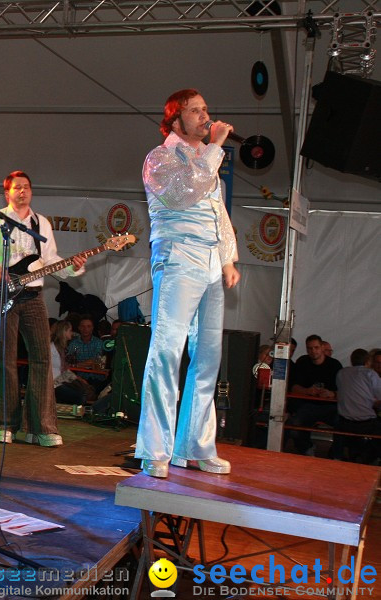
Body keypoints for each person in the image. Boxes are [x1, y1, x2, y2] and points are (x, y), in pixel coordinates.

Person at [134, 89, 241, 478]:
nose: (204, 116)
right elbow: (183, 194)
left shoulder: (207, 159)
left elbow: (218, 212)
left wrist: (227, 259)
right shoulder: (159, 158)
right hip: (178, 257)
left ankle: (195, 446)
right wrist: (215, 149)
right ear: (175, 120)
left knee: (208, 356)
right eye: (195, 111)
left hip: (210, 261)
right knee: (166, 351)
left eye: (205, 109)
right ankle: (155, 450)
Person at [0, 170, 86, 447]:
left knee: (42, 358)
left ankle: (41, 427)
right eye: (17, 187)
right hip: (2, 295)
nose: (23, 191)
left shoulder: (41, 223)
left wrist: (72, 267)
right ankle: (5, 424)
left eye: (27, 187)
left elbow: (50, 260)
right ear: (7, 193)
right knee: (6, 360)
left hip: (33, 295)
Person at [288, 334, 343, 455]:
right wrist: (307, 391)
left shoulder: (335, 365)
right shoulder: (302, 362)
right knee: (294, 427)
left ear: (322, 347)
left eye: (316, 347)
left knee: (344, 424)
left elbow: (344, 391)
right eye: (310, 348)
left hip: (330, 407)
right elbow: (293, 386)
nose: (313, 351)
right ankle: (306, 448)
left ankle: (336, 454)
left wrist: (332, 394)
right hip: (308, 406)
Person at [331, 348, 381, 464]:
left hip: (345, 421)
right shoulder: (370, 374)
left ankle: (337, 456)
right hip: (366, 422)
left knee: (338, 424)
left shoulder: (341, 373)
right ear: (368, 361)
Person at [50, 320, 95, 412]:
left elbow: (63, 369)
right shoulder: (52, 348)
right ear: (64, 332)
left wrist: (78, 379)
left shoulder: (61, 348)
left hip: (59, 380)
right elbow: (60, 370)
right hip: (54, 383)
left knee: (84, 391)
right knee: (80, 396)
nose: (72, 333)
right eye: (70, 330)